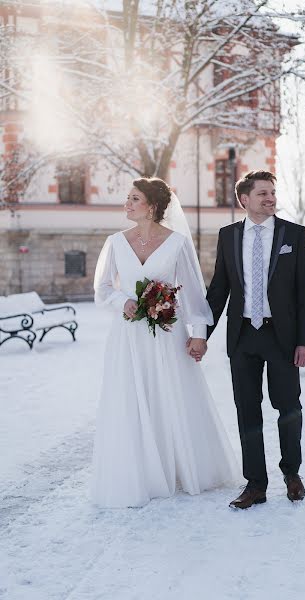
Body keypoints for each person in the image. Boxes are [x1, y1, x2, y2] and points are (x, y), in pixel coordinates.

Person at [91, 177, 238, 508]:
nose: (126, 204)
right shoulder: (115, 242)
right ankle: (140, 472)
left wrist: (199, 336)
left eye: (134, 198)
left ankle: (180, 465)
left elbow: (194, 296)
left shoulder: (177, 244)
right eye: (127, 198)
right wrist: (121, 302)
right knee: (131, 399)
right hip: (128, 337)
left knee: (170, 396)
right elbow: (102, 288)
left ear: (152, 206)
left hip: (167, 335)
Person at [190, 170, 305, 509]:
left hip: (283, 337)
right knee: (248, 411)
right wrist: (201, 335)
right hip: (243, 335)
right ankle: (255, 484)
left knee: (288, 406)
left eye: (272, 192)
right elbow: (219, 290)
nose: (270, 198)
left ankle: (292, 474)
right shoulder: (228, 236)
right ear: (244, 199)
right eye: (262, 193)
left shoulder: (293, 234)